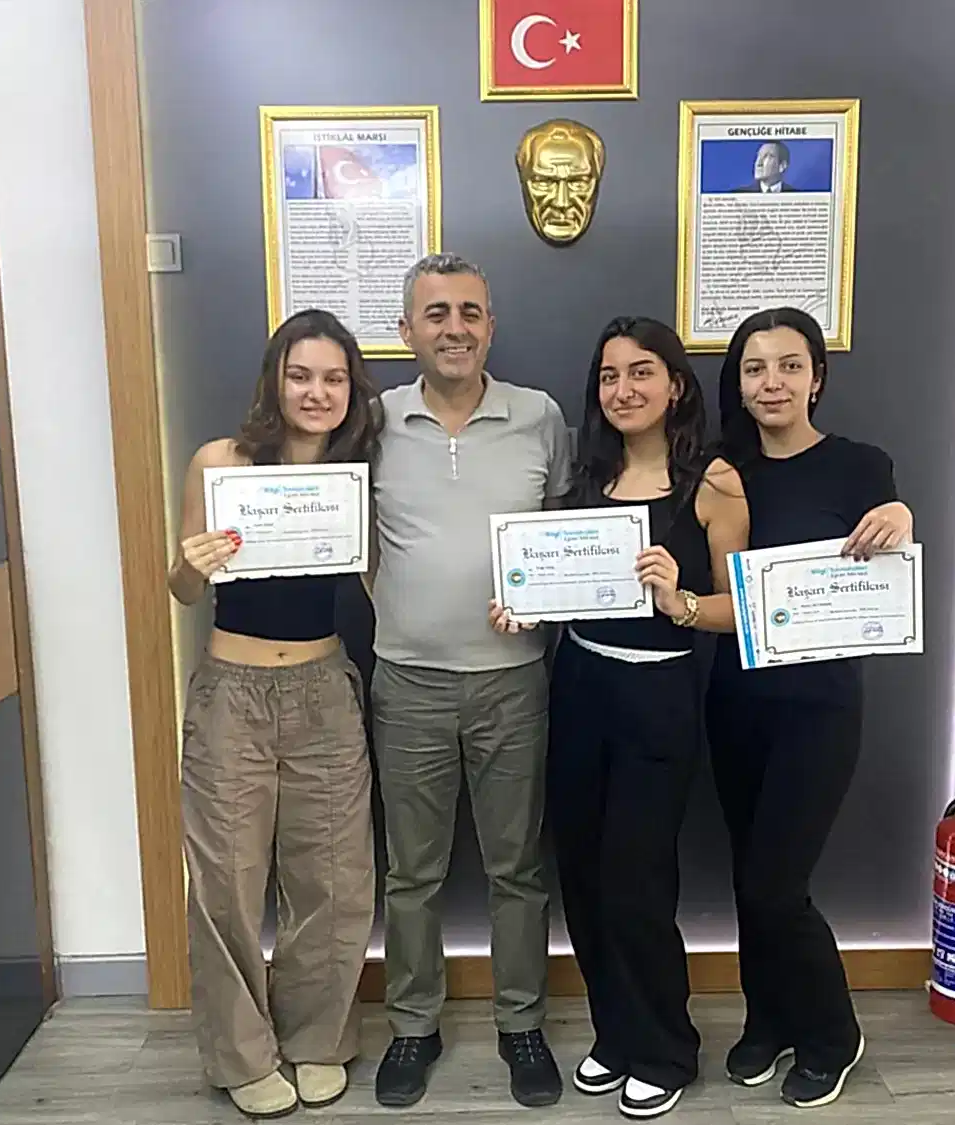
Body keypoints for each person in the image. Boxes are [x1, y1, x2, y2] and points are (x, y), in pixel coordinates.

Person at [490, 317, 748, 1119]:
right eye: (609, 375)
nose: (624, 389)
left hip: (658, 694)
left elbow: (743, 608)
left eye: (642, 372)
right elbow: (562, 587)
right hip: (579, 685)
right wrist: (525, 605)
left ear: (676, 385)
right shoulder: (586, 476)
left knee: (638, 881)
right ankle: (615, 1031)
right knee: (583, 874)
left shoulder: (714, 482)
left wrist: (680, 602)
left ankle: (665, 1047)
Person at [367, 253, 572, 1109]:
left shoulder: (540, 417)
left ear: (491, 325)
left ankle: (521, 1022)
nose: (455, 328)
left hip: (513, 683)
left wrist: (540, 599)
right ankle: (413, 1027)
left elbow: (561, 538)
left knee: (516, 867)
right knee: (411, 872)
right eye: (437, 313)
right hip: (406, 682)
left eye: (470, 313)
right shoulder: (372, 421)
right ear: (406, 330)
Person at [167, 309, 381, 1119]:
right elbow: (182, 587)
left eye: (333, 378)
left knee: (334, 875)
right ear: (274, 381)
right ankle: (241, 1053)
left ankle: (317, 1037)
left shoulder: (358, 472)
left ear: (351, 388)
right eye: (301, 375)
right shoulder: (219, 462)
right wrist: (190, 564)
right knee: (226, 879)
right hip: (234, 691)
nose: (316, 392)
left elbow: (383, 582)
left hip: (325, 687)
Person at [706, 307, 913, 1109]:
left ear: (816, 378)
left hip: (820, 708)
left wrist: (901, 515)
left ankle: (832, 1033)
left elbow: (891, 541)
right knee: (747, 875)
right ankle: (769, 1018)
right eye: (756, 368)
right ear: (739, 382)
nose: (773, 383)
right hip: (737, 700)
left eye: (790, 366)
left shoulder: (861, 465)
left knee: (775, 885)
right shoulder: (722, 471)